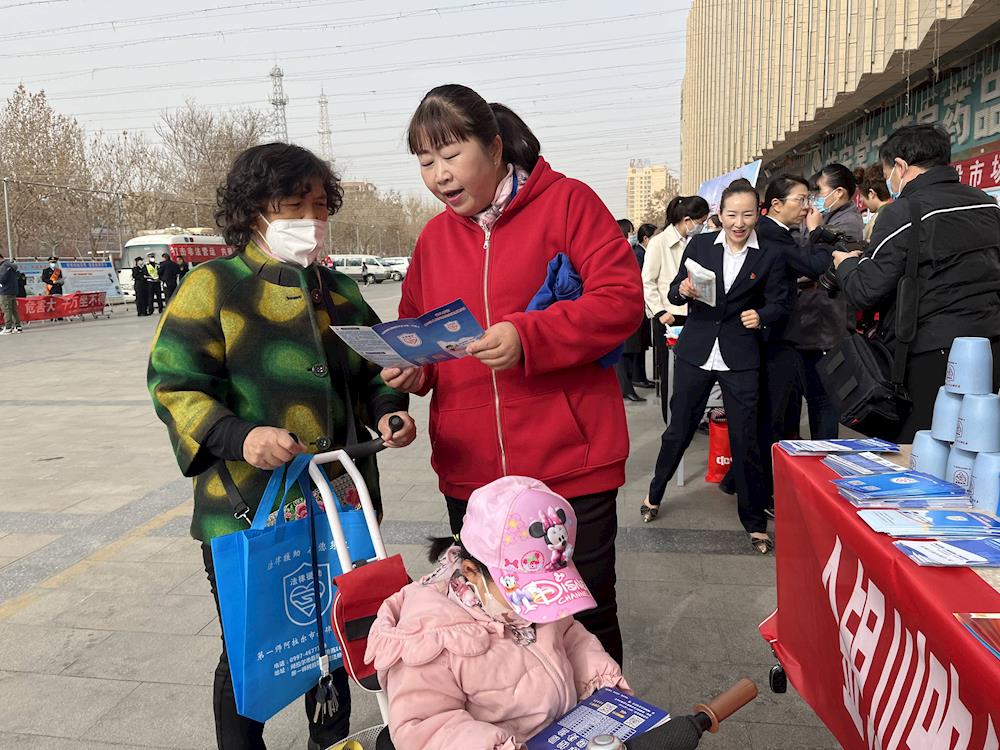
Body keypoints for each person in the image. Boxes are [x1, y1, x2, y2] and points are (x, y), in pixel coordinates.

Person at [148, 142, 417, 750]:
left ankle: (333, 741)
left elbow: (373, 370)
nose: (311, 219)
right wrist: (242, 436)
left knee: (338, 633)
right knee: (252, 647)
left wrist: (390, 411)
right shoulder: (212, 286)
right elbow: (175, 385)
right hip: (246, 508)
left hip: (339, 503)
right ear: (254, 211)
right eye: (294, 206)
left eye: (320, 206)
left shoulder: (337, 289)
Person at [381, 85, 643, 664]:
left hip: (569, 465)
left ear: (495, 147)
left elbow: (622, 301)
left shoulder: (568, 204)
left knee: (585, 618)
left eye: (452, 155)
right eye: (425, 161)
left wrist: (529, 336)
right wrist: (412, 372)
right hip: (473, 475)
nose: (439, 175)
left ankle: (601, 715)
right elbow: (418, 331)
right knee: (492, 621)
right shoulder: (432, 239)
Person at [365, 476, 630, 750]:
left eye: (547, 589)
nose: (539, 602)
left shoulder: (542, 603)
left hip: (567, 733)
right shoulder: (430, 637)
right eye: (525, 592)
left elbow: (571, 638)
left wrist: (599, 681)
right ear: (471, 572)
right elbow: (426, 727)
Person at [639, 180, 790, 554]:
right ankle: (654, 494)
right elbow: (674, 290)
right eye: (732, 214)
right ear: (719, 215)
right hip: (697, 349)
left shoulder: (770, 254)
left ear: (758, 214)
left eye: (747, 215)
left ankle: (754, 522)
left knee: (746, 437)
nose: (739, 223)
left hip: (741, 355)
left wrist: (763, 315)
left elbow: (781, 302)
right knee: (679, 429)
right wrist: (682, 291)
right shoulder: (701, 245)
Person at [833, 124, 1000, 441]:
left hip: (929, 353)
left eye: (887, 172)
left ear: (900, 166)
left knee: (922, 446)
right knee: (971, 443)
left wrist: (847, 264)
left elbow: (865, 290)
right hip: (988, 346)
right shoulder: (987, 204)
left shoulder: (905, 211)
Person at [786, 163, 864, 439]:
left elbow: (817, 264)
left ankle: (823, 452)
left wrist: (814, 230)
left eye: (819, 191)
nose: (815, 198)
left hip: (826, 323)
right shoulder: (827, 216)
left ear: (839, 192)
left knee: (821, 398)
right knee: (808, 392)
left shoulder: (847, 222)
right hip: (811, 319)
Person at [642, 195, 710, 424]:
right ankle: (672, 421)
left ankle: (691, 418)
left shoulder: (696, 242)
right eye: (701, 221)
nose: (702, 226)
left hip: (692, 314)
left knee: (691, 372)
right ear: (688, 220)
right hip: (669, 317)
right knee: (670, 374)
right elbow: (647, 281)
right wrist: (660, 312)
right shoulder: (659, 242)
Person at [614, 219, 645, 402]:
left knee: (629, 350)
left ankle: (627, 386)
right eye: (631, 231)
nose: (633, 234)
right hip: (620, 305)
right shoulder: (620, 251)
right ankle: (625, 388)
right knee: (622, 351)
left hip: (630, 304)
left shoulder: (627, 250)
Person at [624, 223, 656, 390]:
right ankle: (636, 378)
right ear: (646, 238)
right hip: (637, 304)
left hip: (642, 305)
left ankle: (640, 377)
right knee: (635, 346)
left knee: (641, 345)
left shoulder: (642, 253)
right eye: (631, 232)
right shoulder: (638, 254)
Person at [860, 164, 894, 242]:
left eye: (862, 196)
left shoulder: (875, 222)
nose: (861, 200)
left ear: (871, 193)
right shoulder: (899, 210)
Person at [0, 251, 22, 334]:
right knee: (14, 310)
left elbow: (2, 279)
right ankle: (18, 326)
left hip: (5, 291)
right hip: (13, 291)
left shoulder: (3, 266)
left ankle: (8, 327)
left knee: (6, 309)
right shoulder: (11, 266)